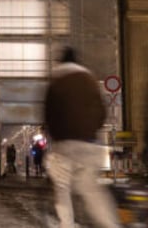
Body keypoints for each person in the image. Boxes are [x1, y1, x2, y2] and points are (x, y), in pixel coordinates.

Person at [44, 46, 119, 228]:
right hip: (89, 145)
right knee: (91, 189)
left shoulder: (56, 82)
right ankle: (111, 224)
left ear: (61, 61)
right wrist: (90, 130)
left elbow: (49, 114)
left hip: (65, 145)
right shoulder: (89, 80)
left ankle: (67, 224)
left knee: (62, 187)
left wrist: (56, 136)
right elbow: (101, 112)